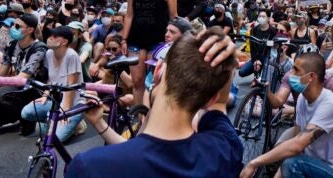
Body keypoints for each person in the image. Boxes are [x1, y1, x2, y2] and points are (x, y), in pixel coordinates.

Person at [66, 28, 242, 177]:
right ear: (210, 99)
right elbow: (220, 104)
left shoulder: (88, 167)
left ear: (157, 71)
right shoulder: (223, 151)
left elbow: (135, 150)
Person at [240, 52, 333, 178]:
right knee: (286, 157)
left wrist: (254, 163)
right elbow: (295, 142)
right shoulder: (302, 98)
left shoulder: (331, 103)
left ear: (311, 77)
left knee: (293, 165)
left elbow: (297, 145)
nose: (290, 74)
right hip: (315, 166)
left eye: (296, 70)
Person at [0, 13, 47, 136]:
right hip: (15, 89)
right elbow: (0, 77)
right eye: (13, 25)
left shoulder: (39, 49)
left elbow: (22, 79)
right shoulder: (11, 46)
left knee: (5, 96)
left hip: (35, 92)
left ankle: (27, 117)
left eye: (17, 26)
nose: (13, 28)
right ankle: (15, 114)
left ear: (30, 30)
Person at [121, 0, 177, 105]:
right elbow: (129, 15)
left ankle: (152, 115)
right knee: (137, 81)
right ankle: (139, 116)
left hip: (157, 40)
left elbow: (174, 18)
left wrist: (172, 39)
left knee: (152, 82)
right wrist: (124, 39)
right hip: (136, 39)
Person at [20, 26, 86, 141]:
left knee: (56, 139)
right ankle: (52, 121)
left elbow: (71, 87)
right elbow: (50, 79)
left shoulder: (72, 55)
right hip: (56, 100)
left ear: (64, 41)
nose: (50, 38)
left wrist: (65, 110)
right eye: (50, 35)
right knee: (26, 112)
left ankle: (77, 123)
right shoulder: (49, 53)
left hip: (73, 103)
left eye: (54, 36)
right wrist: (45, 95)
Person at [238, 10, 276, 77]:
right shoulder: (254, 29)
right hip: (256, 56)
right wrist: (256, 60)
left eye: (263, 16)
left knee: (264, 77)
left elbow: (272, 47)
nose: (261, 18)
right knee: (242, 72)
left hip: (267, 57)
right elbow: (252, 47)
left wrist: (262, 60)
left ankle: (260, 72)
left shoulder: (273, 31)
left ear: (268, 18)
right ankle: (257, 70)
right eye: (260, 16)